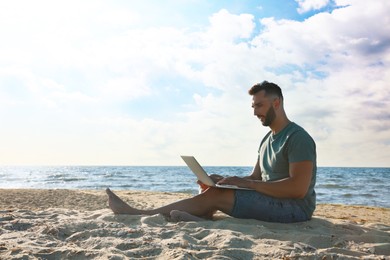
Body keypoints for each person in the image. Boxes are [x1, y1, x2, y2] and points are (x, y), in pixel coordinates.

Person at [106, 81, 317, 223]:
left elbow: (298, 189)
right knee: (213, 188)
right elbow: (255, 177)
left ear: (276, 103)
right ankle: (204, 215)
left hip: (295, 209)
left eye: (259, 105)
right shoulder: (266, 140)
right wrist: (228, 181)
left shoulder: (297, 137)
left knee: (217, 194)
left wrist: (249, 185)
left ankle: (139, 213)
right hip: (273, 200)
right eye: (253, 106)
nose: (254, 112)